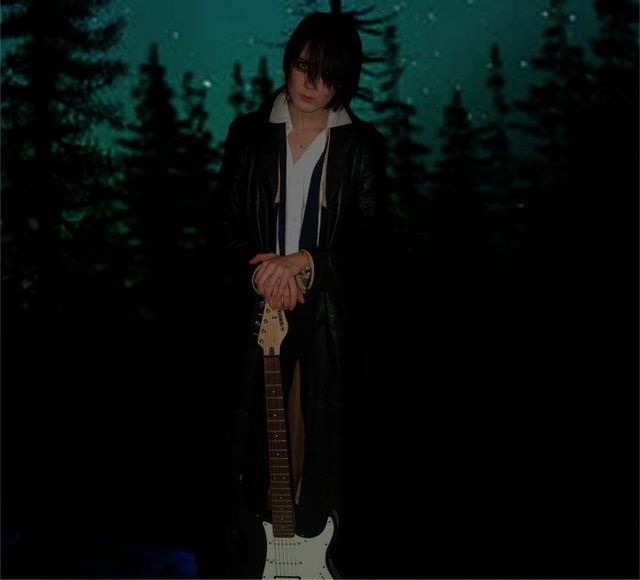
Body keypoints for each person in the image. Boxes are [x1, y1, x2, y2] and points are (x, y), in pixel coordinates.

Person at [216, 11, 387, 545]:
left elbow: (372, 244)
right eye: (304, 66)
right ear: (288, 62)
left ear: (345, 78)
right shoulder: (248, 134)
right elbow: (222, 224)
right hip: (256, 312)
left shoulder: (362, 145)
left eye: (328, 73)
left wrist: (307, 263)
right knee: (251, 452)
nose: (312, 83)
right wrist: (263, 274)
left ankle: (313, 558)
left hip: (330, 320)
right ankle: (253, 558)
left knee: (320, 452)